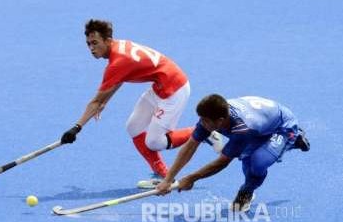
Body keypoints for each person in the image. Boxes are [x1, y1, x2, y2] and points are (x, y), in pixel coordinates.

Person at [60, 19, 222, 188]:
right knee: (134, 127)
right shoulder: (118, 47)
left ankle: (205, 132)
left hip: (174, 90)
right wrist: (104, 101)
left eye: (95, 43)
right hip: (161, 85)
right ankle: (162, 174)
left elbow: (96, 100)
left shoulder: (117, 63)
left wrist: (76, 128)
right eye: (88, 44)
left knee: (155, 142)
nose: (91, 48)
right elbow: (119, 78)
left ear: (107, 41)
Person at [156, 94, 310, 211]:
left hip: (282, 126)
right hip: (259, 124)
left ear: (220, 121)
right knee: (247, 158)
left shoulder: (242, 130)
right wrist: (168, 179)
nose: (201, 124)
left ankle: (294, 138)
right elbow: (190, 146)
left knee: (257, 163)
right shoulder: (211, 117)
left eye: (205, 121)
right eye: (201, 120)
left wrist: (190, 178)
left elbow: (222, 162)